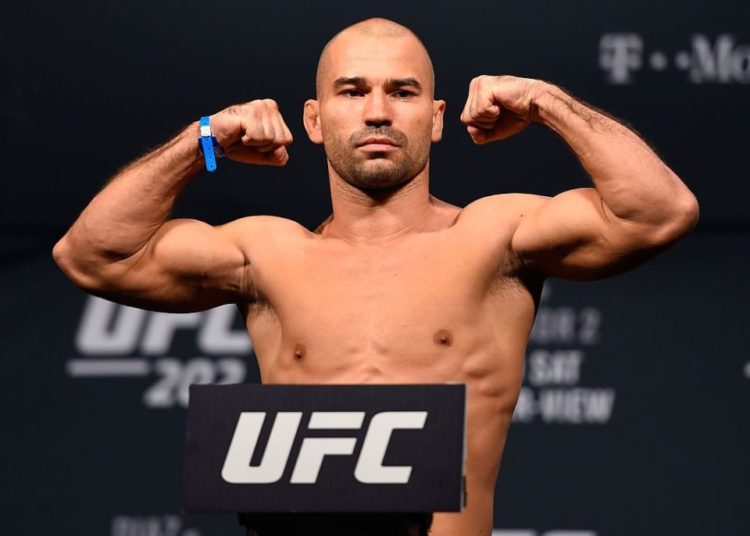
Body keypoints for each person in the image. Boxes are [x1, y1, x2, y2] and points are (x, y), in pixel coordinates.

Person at [52, 17, 698, 536]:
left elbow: (658, 211)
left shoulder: (494, 237)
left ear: (436, 118)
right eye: (353, 91)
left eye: (403, 92)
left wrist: (543, 100)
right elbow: (92, 255)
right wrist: (205, 140)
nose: (378, 112)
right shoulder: (267, 254)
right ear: (314, 120)